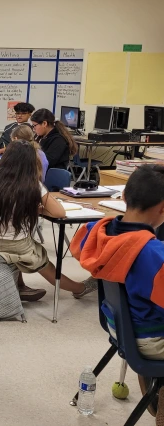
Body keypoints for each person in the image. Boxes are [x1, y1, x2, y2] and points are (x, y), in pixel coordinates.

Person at [70, 165, 164, 417]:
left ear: (123, 196)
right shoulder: (154, 256)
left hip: (118, 327)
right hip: (149, 339)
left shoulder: (95, 234)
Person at [0, 140, 97, 302]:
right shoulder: (30, 184)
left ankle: (19, 286)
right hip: (15, 244)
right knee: (43, 261)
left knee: (24, 241)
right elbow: (59, 212)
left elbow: (8, 208)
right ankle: (80, 289)